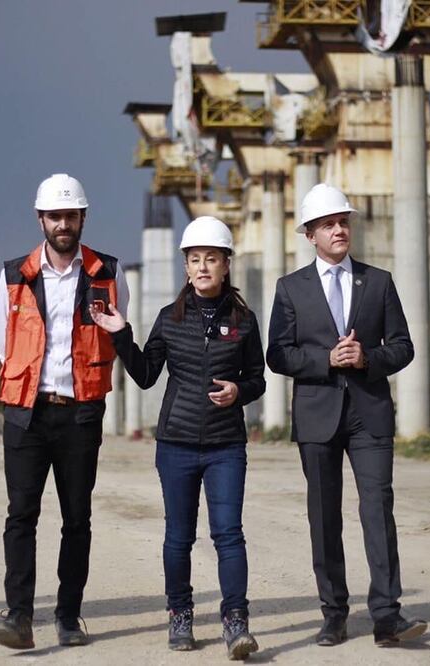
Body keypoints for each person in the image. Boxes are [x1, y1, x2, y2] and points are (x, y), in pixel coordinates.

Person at [91, 216, 264, 660]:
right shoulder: (170, 319)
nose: (202, 267)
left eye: (211, 259)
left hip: (227, 445)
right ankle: (180, 614)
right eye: (194, 260)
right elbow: (147, 375)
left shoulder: (244, 321)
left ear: (226, 264)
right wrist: (121, 335)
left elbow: (258, 379)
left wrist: (239, 391)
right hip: (177, 444)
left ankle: (235, 621)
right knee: (178, 537)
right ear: (185, 267)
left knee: (229, 534)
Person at [266, 183, 426, 647]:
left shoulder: (378, 282)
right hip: (317, 416)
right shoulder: (290, 288)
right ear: (310, 234)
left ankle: (386, 615)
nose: (339, 229)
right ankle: (334, 613)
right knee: (324, 517)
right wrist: (326, 361)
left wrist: (366, 359)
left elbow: (403, 347)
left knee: (378, 510)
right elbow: (278, 354)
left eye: (343, 222)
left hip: (369, 414)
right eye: (329, 224)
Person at [0, 173, 129, 650]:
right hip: (26, 415)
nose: (63, 224)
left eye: (71, 215)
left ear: (82, 218)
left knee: (77, 518)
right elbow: (2, 345)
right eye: (55, 216)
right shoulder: (13, 275)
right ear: (40, 219)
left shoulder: (108, 273)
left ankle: (68, 617)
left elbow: (116, 331)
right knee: (20, 516)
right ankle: (19, 617)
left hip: (80, 414)